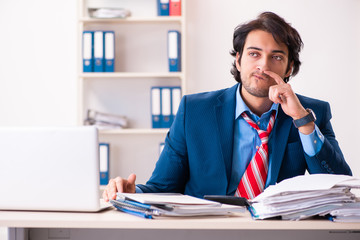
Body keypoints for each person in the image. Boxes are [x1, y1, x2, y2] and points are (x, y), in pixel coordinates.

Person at [103, 11, 352, 202]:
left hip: (277, 231)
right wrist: (133, 192)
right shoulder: (194, 111)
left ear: (288, 69)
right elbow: (163, 187)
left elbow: (340, 186)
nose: (263, 66)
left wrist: (302, 120)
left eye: (276, 57)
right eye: (254, 53)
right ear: (239, 59)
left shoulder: (311, 113)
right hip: (209, 231)